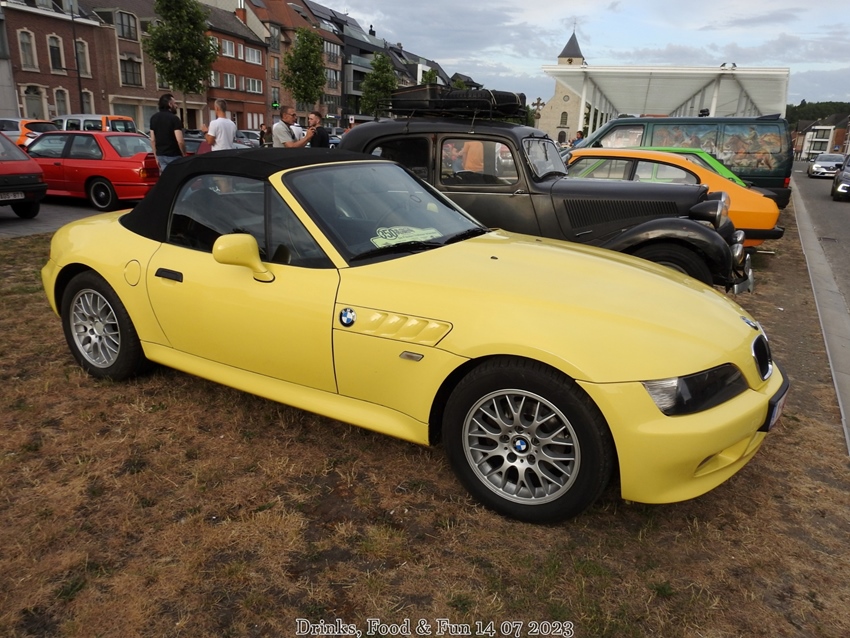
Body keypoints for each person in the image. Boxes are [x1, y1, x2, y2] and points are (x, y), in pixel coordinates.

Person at [149, 93, 185, 171]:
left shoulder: (153, 118)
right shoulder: (174, 119)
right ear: (170, 104)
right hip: (174, 156)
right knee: (177, 177)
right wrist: (184, 154)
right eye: (175, 103)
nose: (176, 106)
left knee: (165, 177)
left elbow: (152, 139)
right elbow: (180, 141)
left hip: (160, 156)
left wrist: (156, 157)